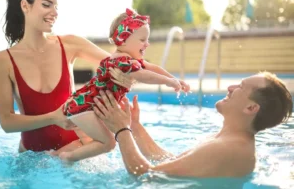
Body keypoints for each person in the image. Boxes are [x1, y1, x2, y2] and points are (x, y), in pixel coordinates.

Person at [0, 0, 133, 154]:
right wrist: (53, 118)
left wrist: (124, 74)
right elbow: (6, 123)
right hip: (31, 159)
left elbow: (121, 64)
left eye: (56, 7)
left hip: (77, 151)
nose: (54, 13)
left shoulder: (70, 44)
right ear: (25, 6)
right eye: (47, 5)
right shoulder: (2, 61)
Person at [93, 71, 293, 178]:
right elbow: (167, 161)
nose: (230, 87)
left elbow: (145, 175)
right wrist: (134, 127)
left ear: (251, 108)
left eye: (240, 87)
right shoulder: (226, 140)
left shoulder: (226, 148)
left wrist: (121, 130)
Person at [55, 8, 190, 161]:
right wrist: (168, 82)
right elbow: (144, 75)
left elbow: (153, 68)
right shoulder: (120, 62)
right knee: (108, 143)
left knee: (93, 142)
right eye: (142, 40)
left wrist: (175, 80)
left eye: (147, 39)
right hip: (84, 108)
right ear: (123, 40)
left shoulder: (128, 60)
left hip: (85, 107)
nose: (147, 44)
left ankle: (56, 155)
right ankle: (68, 158)